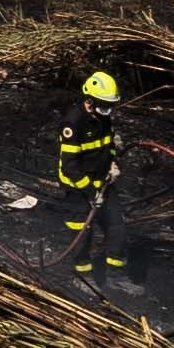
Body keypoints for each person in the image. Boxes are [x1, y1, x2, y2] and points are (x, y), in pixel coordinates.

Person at [55, 69, 128, 274]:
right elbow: (70, 167)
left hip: (102, 181)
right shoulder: (73, 122)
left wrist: (113, 164)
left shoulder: (103, 117)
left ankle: (116, 272)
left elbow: (108, 145)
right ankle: (82, 272)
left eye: (111, 105)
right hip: (77, 186)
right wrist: (90, 192)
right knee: (81, 230)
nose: (108, 109)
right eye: (104, 104)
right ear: (90, 99)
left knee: (117, 226)